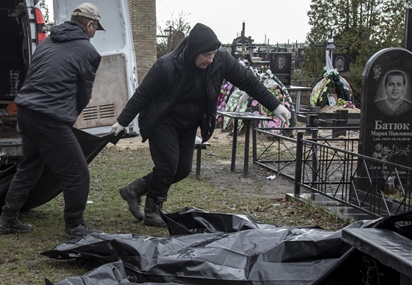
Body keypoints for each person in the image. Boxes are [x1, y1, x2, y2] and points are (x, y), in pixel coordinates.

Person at [109, 23, 291, 226]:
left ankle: (134, 190)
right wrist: (122, 121)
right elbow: (143, 94)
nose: (210, 59)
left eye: (213, 54)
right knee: (168, 165)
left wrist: (275, 106)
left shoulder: (220, 61)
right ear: (194, 51)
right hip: (163, 120)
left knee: (182, 170)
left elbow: (247, 81)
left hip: (189, 123)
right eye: (206, 55)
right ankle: (153, 211)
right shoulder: (167, 66)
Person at [0, 3, 103, 239]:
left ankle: (7, 218)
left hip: (26, 110)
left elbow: (34, 75)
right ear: (89, 24)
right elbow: (84, 93)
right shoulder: (89, 51)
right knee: (77, 173)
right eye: (95, 28)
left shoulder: (47, 43)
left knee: (30, 166)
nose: (94, 33)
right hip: (49, 117)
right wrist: (69, 115)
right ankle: (74, 225)